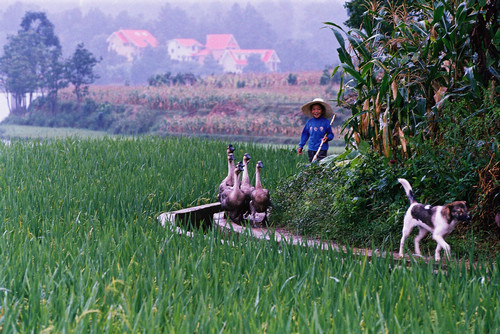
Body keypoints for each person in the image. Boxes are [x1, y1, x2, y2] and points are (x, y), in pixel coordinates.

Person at [297, 98, 335, 162]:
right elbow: (305, 134)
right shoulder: (309, 122)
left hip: (322, 148)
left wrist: (327, 138)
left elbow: (331, 134)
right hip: (311, 148)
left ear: (322, 111)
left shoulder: (325, 122)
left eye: (318, 109)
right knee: (312, 166)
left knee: (320, 165)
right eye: (314, 109)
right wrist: (301, 146)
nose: (316, 111)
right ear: (311, 111)